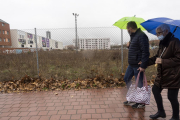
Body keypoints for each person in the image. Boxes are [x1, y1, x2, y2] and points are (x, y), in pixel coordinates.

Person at [148, 24, 180, 120]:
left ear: (166, 32)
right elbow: (157, 57)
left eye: (159, 33)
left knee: (171, 97)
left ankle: (175, 117)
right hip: (163, 74)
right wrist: (144, 63)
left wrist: (163, 61)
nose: (157, 35)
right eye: (157, 33)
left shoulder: (175, 42)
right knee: (155, 90)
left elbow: (179, 59)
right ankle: (161, 112)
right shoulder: (163, 43)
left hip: (174, 75)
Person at [123, 21, 150, 108]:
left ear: (130, 28)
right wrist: (129, 46)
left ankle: (141, 102)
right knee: (126, 78)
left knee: (139, 83)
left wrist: (143, 65)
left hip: (138, 65)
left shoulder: (142, 36)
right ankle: (132, 98)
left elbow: (145, 51)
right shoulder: (133, 36)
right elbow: (135, 49)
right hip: (131, 64)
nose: (127, 30)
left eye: (127, 29)